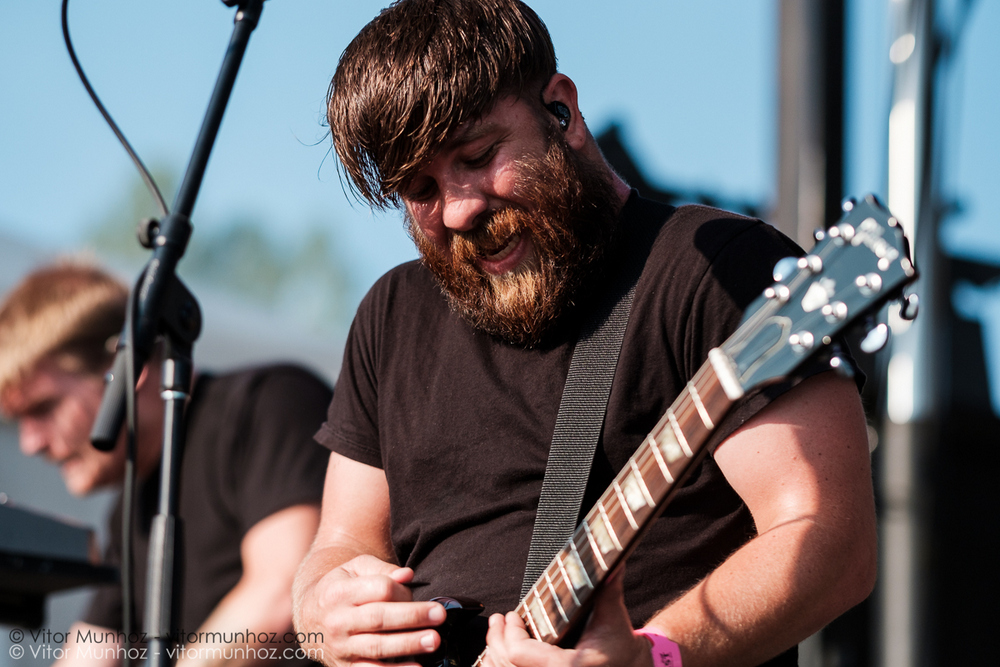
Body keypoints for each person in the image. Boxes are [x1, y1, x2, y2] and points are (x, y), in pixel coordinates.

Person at [292, 2, 877, 666]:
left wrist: (652, 656)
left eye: (479, 155)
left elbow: (832, 539)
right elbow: (339, 543)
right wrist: (320, 611)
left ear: (561, 111)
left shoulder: (716, 269)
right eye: (420, 188)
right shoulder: (390, 315)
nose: (458, 209)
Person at [0, 262, 333, 667]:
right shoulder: (128, 514)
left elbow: (284, 592)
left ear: (127, 370)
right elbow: (88, 654)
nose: (30, 442)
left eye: (44, 408)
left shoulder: (270, 402)